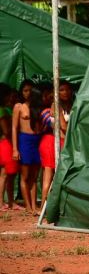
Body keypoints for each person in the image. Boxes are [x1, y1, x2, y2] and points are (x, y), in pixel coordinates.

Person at [11, 80, 43, 214]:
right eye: (25, 90)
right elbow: (14, 127)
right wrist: (15, 148)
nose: (28, 93)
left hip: (37, 141)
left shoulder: (37, 107)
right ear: (21, 92)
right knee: (25, 176)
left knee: (34, 177)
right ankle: (29, 207)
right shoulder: (18, 106)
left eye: (30, 90)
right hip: (25, 140)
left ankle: (34, 206)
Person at [0, 84, 21, 211]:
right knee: (4, 174)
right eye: (9, 94)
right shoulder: (2, 110)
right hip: (6, 143)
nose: (11, 96)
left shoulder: (7, 108)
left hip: (9, 143)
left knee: (11, 174)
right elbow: (6, 130)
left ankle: (11, 202)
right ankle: (1, 202)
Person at [38, 83, 57, 214]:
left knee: (51, 176)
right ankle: (43, 208)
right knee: (48, 177)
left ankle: (46, 207)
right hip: (49, 142)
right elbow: (54, 126)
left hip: (53, 142)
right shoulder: (45, 112)